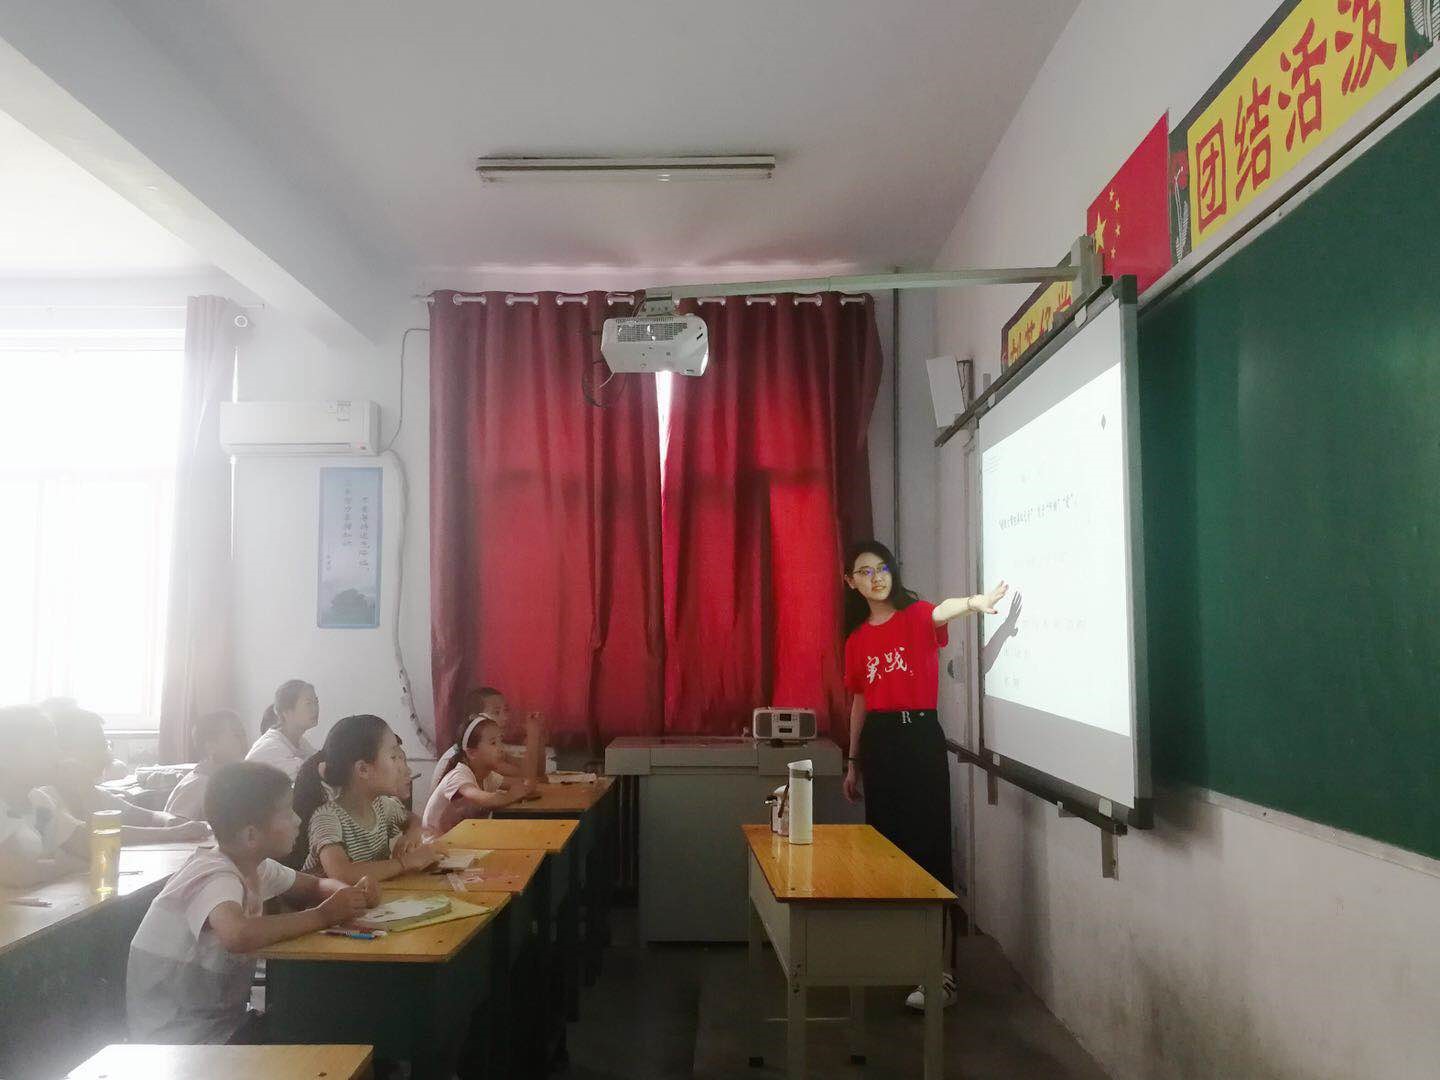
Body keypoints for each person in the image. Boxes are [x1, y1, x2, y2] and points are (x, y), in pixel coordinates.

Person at [841, 539, 1006, 1011]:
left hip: (919, 738)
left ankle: (941, 975)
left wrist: (973, 602)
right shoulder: (856, 641)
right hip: (880, 743)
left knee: (929, 850)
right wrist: (853, 761)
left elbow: (941, 611)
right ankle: (902, 960)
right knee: (888, 851)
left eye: (882, 568)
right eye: (865, 571)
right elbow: (859, 701)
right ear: (851, 582)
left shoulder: (915, 617)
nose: (876, 577)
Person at [126, 761, 376, 1044]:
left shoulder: (256, 866)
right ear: (251, 835)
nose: (297, 820)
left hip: (222, 1025)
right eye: (287, 813)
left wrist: (351, 894)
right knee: (322, 1029)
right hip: (180, 1040)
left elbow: (315, 885)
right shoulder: (214, 874)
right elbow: (238, 934)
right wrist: (323, 916)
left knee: (326, 1022)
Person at [291, 713, 439, 880]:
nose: (405, 768)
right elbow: (341, 874)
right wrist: (405, 863)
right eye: (393, 757)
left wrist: (411, 835)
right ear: (363, 770)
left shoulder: (382, 806)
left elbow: (412, 819)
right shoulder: (327, 818)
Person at [48, 706, 211, 844]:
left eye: (105, 744)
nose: (106, 752)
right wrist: (172, 833)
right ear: (64, 750)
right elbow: (94, 835)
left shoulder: (97, 794)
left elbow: (149, 816)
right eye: (97, 744)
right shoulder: (47, 797)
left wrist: (169, 820)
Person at [0, 705, 90, 887]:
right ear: (7, 754)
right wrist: (70, 865)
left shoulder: (39, 800)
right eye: (46, 746)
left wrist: (76, 791)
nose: (58, 753)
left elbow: (86, 843)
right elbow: (15, 872)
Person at [422, 713, 540, 839]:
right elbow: (487, 799)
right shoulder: (459, 775)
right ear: (472, 753)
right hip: (437, 845)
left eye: (501, 741)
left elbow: (525, 782)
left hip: (461, 841)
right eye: (493, 743)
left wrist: (526, 786)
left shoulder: (488, 776)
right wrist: (512, 795)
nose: (501, 748)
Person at [431, 686, 545, 788]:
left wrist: (539, 737)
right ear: (475, 718)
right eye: (496, 712)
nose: (505, 717)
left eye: (505, 711)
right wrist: (533, 735)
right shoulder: (476, 751)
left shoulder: (491, 745)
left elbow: (537, 772)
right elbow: (529, 778)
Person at [165, 710, 248, 821]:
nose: (243, 740)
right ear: (211, 747)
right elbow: (173, 826)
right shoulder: (198, 785)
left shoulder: (231, 781)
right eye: (236, 735)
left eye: (243, 733)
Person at [245, 679, 320, 780]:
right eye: (308, 703)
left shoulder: (300, 742)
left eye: (316, 702)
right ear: (287, 711)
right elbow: (309, 778)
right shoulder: (271, 747)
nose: (315, 708)